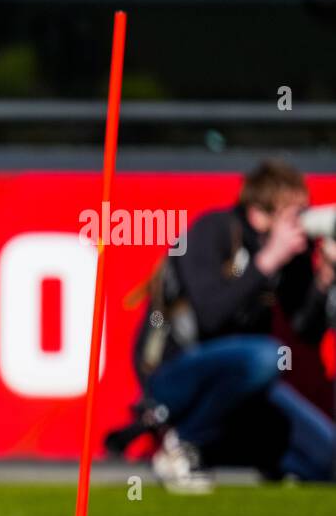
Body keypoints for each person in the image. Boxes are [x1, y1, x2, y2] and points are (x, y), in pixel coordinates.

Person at [133, 159, 335, 491]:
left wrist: (323, 280)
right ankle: (182, 444)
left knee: (328, 460)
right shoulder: (213, 230)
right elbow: (211, 316)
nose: (300, 225)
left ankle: (232, 450)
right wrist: (268, 259)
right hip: (176, 372)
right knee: (266, 357)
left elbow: (306, 332)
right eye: (292, 215)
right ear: (259, 213)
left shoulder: (289, 256)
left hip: (243, 386)